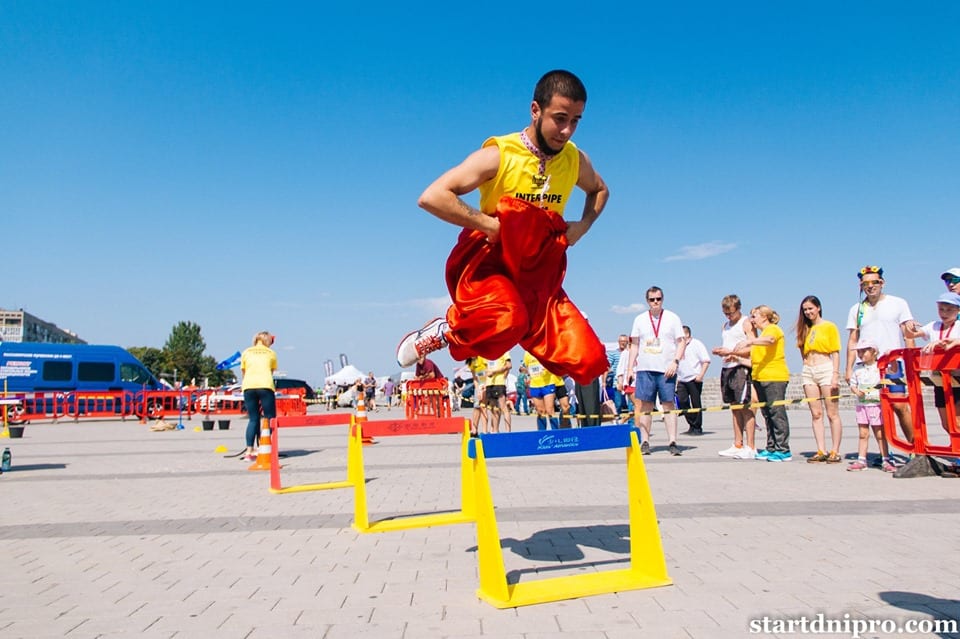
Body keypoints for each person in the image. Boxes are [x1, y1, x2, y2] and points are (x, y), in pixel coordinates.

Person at [395, 70, 609, 388]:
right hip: (490, 262)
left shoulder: (575, 160)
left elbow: (600, 190)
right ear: (535, 110)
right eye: (560, 118)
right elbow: (432, 197)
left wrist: (584, 225)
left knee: (587, 358)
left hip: (538, 270)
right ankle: (444, 331)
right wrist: (489, 225)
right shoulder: (500, 155)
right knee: (507, 319)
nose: (566, 131)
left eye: (576, 120)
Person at [845, 265, 920, 447]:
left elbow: (907, 334)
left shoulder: (898, 303)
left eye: (874, 282)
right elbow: (853, 339)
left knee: (899, 406)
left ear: (882, 283)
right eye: (865, 283)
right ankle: (885, 454)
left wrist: (912, 362)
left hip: (892, 363)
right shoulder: (857, 309)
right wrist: (848, 369)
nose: (870, 286)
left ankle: (915, 447)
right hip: (867, 367)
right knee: (874, 409)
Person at [627, 286, 686, 456]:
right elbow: (635, 344)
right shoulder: (639, 319)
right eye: (652, 299)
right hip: (645, 368)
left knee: (668, 404)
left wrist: (675, 361)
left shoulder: (672, 317)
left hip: (666, 368)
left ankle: (672, 441)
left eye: (658, 299)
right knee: (645, 405)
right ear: (647, 301)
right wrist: (630, 368)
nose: (655, 302)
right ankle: (645, 441)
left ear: (662, 299)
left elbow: (681, 342)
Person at [795, 296, 843, 464]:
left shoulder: (829, 326)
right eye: (805, 310)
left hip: (826, 368)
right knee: (816, 413)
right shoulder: (804, 329)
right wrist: (807, 365)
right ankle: (821, 449)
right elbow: (802, 350)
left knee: (832, 413)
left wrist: (835, 374)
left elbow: (835, 351)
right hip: (809, 369)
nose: (808, 312)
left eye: (810, 308)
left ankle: (835, 450)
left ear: (818, 308)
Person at [740, 306, 791, 462]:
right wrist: (731, 355)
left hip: (774, 377)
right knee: (767, 414)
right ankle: (771, 447)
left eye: (754, 316)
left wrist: (750, 340)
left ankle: (783, 449)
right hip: (760, 377)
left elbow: (770, 341)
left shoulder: (773, 330)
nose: (752, 320)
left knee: (777, 413)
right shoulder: (760, 336)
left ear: (764, 317)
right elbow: (754, 360)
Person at [906, 292, 960, 432]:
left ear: (958, 310)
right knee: (947, 424)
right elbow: (911, 335)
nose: (944, 313)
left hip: (957, 378)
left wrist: (953, 342)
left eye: (949, 310)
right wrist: (909, 327)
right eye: (941, 309)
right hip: (939, 379)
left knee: (957, 421)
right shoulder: (933, 326)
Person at [712, 295, 758, 459]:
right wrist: (722, 351)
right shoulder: (726, 325)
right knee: (734, 407)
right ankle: (737, 443)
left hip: (741, 367)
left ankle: (750, 446)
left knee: (746, 406)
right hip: (727, 368)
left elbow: (753, 346)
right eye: (726, 314)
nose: (729, 317)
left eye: (731, 313)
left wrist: (732, 353)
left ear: (738, 308)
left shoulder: (746, 323)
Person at [847, 340, 897, 472]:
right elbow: (852, 384)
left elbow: (893, 371)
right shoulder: (858, 368)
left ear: (874, 352)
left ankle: (885, 459)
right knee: (863, 433)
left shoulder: (880, 366)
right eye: (859, 351)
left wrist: (891, 358)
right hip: (862, 406)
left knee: (880, 434)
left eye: (864, 350)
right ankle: (861, 459)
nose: (861, 353)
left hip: (876, 405)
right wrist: (857, 391)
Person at [240, 331, 277, 462]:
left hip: (248, 386)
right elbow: (271, 372)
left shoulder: (246, 352)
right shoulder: (271, 353)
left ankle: (249, 451)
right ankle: (265, 447)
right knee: (269, 418)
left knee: (253, 419)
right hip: (265, 385)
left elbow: (243, 372)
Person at [675, 325, 710, 436]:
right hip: (681, 379)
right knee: (682, 401)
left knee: (696, 402)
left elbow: (706, 360)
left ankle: (697, 427)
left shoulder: (696, 344)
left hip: (694, 378)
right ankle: (691, 423)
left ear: (687, 334)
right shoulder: (677, 346)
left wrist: (701, 375)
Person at [523, 350, 558, 430]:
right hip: (535, 384)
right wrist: (528, 374)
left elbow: (553, 362)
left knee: (550, 411)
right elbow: (526, 367)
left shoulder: (545, 348)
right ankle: (542, 435)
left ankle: (556, 434)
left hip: (547, 383)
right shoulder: (527, 353)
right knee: (540, 411)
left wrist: (547, 367)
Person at [485, 352, 512, 433]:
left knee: (503, 407)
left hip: (499, 383)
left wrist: (495, 372)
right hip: (489, 383)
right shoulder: (486, 353)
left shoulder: (503, 350)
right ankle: (495, 430)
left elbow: (509, 365)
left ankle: (508, 431)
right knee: (493, 409)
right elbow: (486, 368)